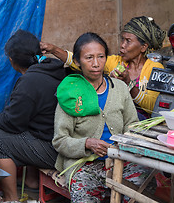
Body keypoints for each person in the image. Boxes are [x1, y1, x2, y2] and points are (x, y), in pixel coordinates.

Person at [52, 32, 152, 202]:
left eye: (101, 57)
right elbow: (60, 140)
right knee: (82, 190)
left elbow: (132, 124)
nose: (96, 63)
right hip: (84, 165)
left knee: (144, 182)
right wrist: (87, 143)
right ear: (77, 61)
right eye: (89, 58)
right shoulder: (71, 94)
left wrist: (123, 143)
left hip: (121, 161)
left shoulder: (120, 88)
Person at [0, 29, 66, 202]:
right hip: (60, 140)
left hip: (56, 150)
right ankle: (31, 181)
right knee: (33, 124)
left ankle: (11, 198)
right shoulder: (54, 67)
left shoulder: (30, 82)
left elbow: (12, 123)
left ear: (12, 60)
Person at [41, 16, 166, 119]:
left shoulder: (155, 68)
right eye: (122, 39)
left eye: (128, 41)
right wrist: (54, 49)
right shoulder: (115, 62)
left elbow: (153, 106)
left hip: (140, 123)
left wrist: (129, 84)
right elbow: (82, 60)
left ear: (143, 47)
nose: (122, 45)